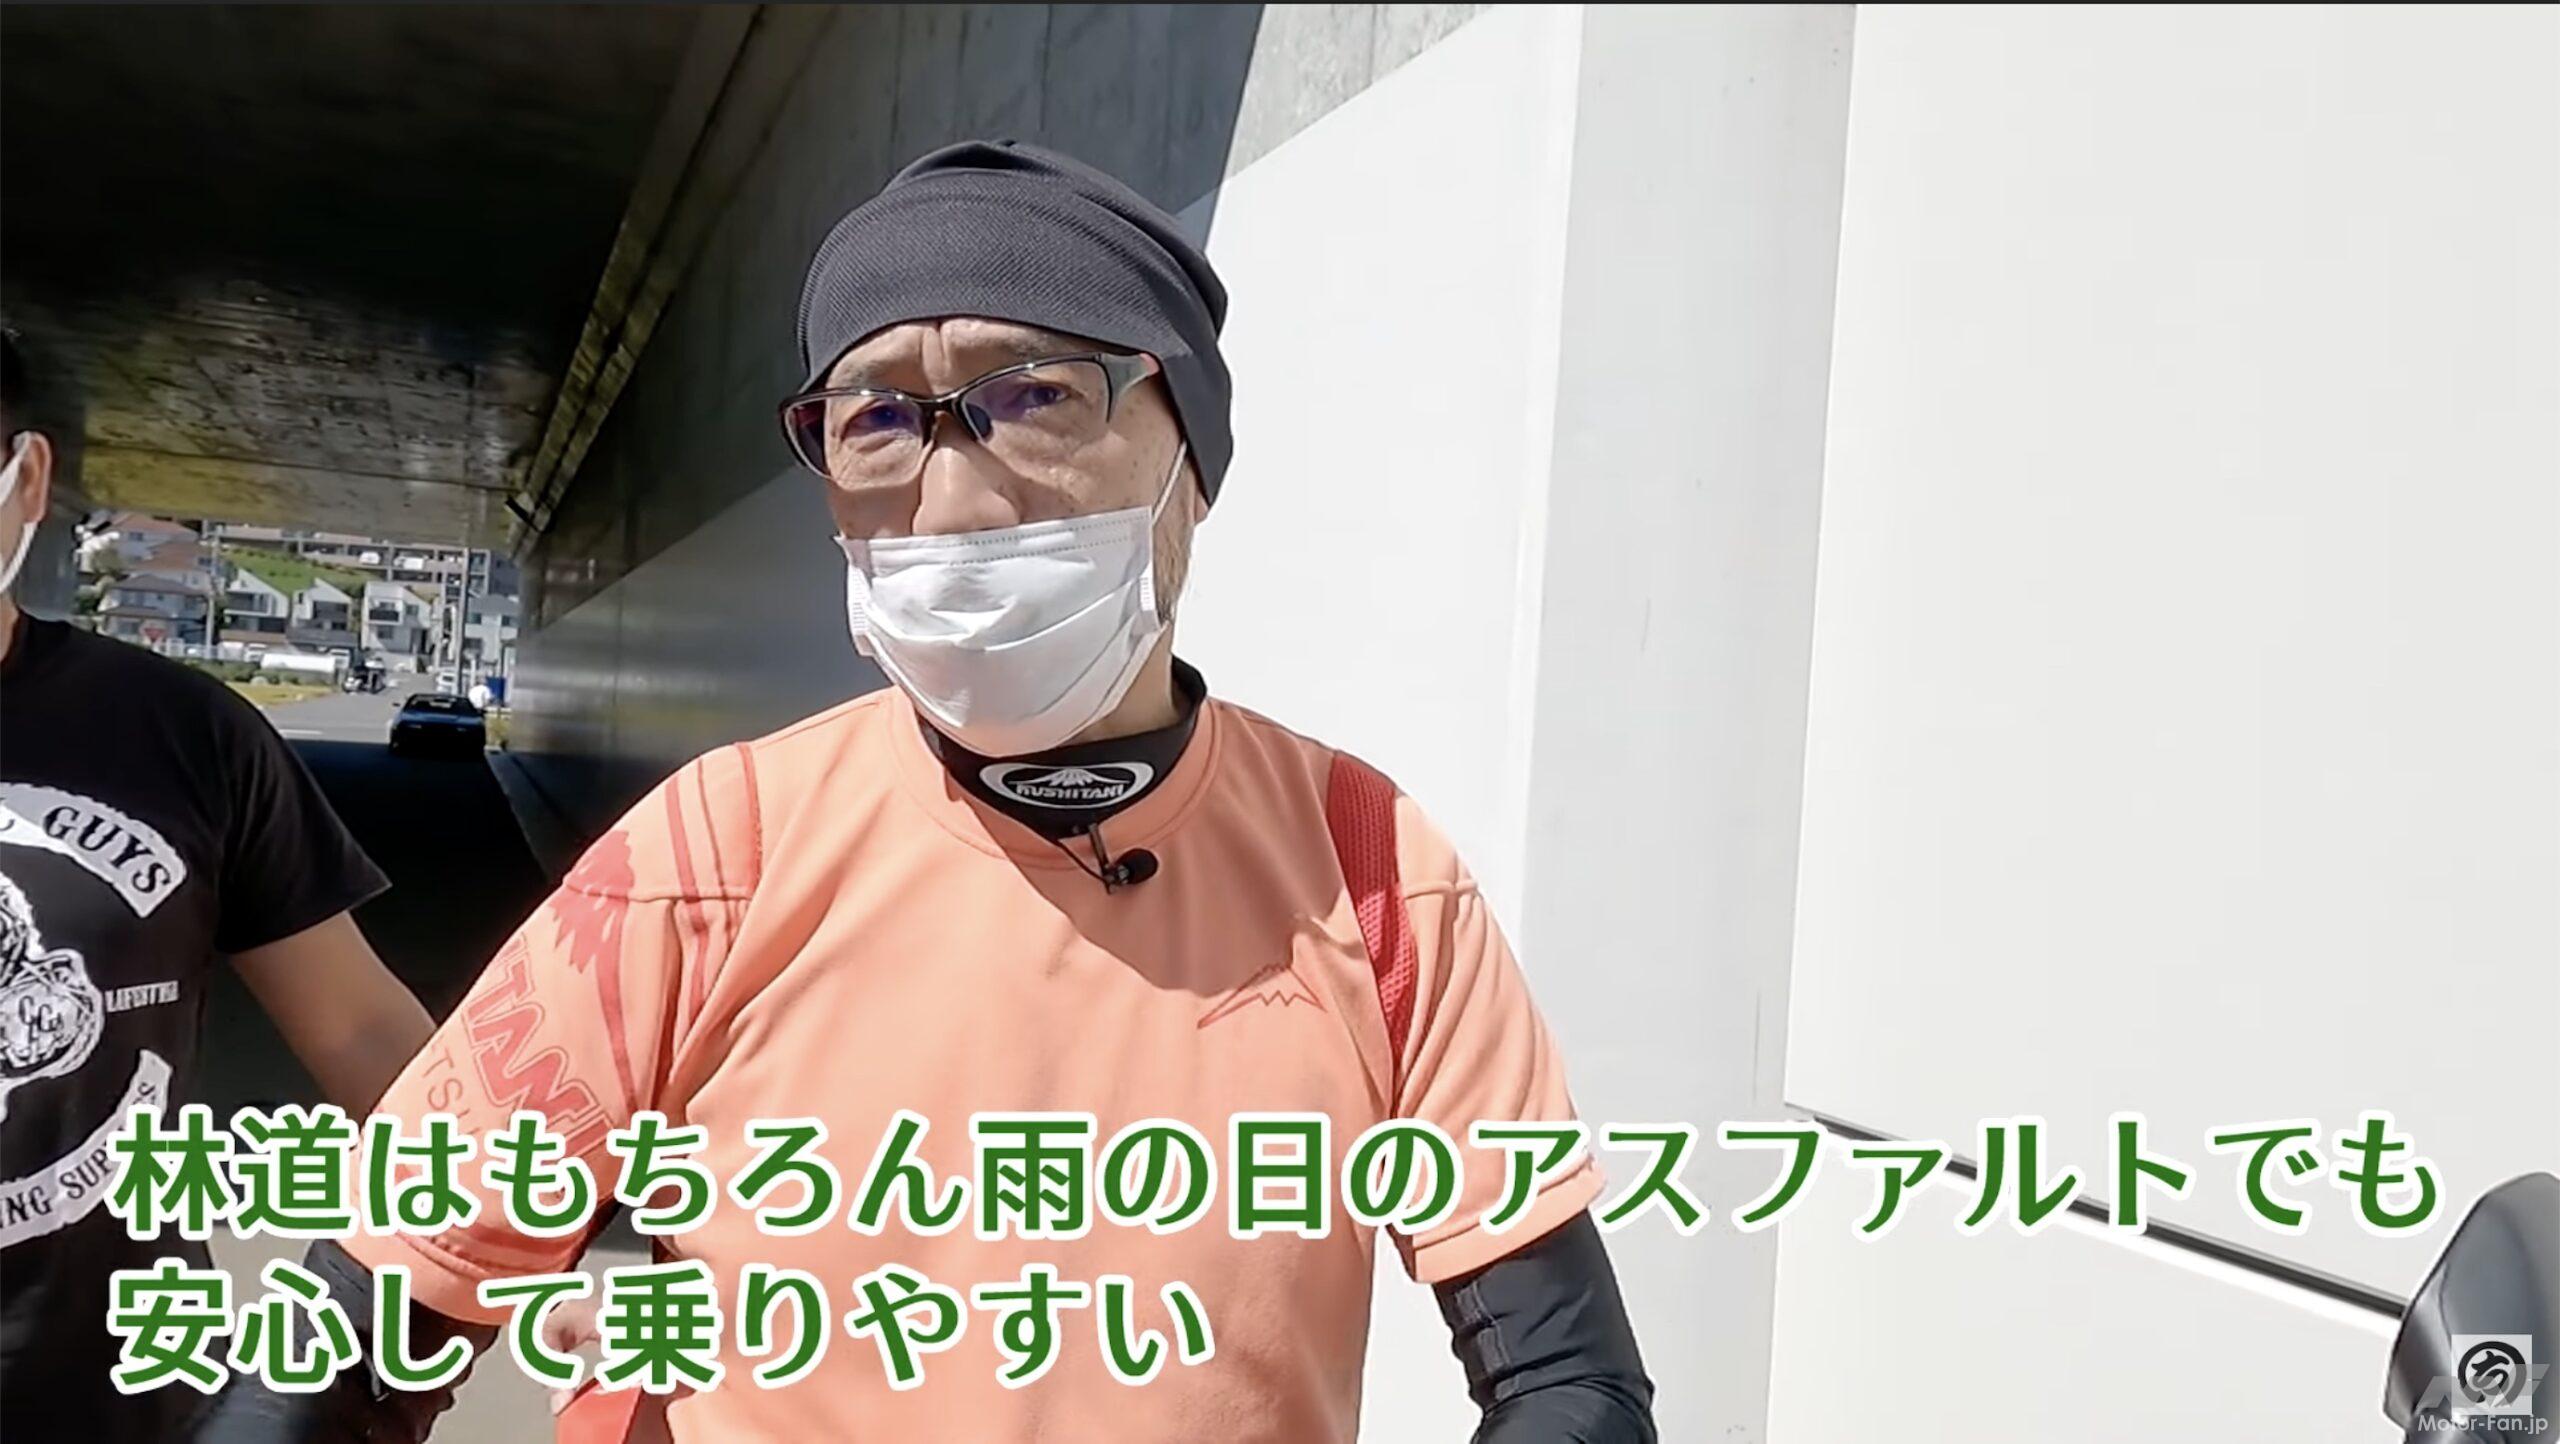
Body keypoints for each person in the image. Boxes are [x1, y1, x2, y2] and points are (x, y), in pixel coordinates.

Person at [197, 141, 1655, 1442]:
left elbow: (1568, 1386)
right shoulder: (711, 855)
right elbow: (351, 1346)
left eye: (1036, 397)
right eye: (876, 420)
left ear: (1194, 459)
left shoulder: (1372, 870)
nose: (952, 501)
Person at [0, 324, 437, 1441]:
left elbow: (368, 1039)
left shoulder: (182, 735)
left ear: (27, 481)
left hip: (127, 1406)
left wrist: (515, 1250)